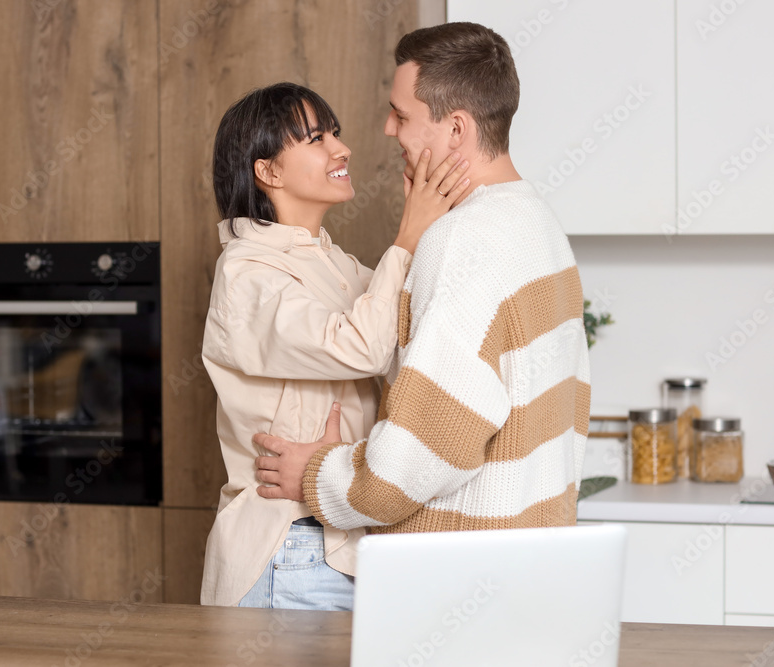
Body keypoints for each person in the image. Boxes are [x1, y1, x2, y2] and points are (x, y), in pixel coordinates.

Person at [254, 23, 591, 535]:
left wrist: (319, 476)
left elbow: (426, 450)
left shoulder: (461, 241)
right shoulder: (538, 225)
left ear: (456, 129)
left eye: (401, 115)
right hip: (527, 556)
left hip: (458, 576)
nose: (389, 130)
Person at [200, 82, 469, 609]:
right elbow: (363, 349)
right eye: (316, 139)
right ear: (268, 172)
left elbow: (407, 336)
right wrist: (409, 234)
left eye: (335, 134)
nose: (340, 149)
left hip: (338, 538)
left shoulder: (333, 263)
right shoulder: (246, 273)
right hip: (289, 545)